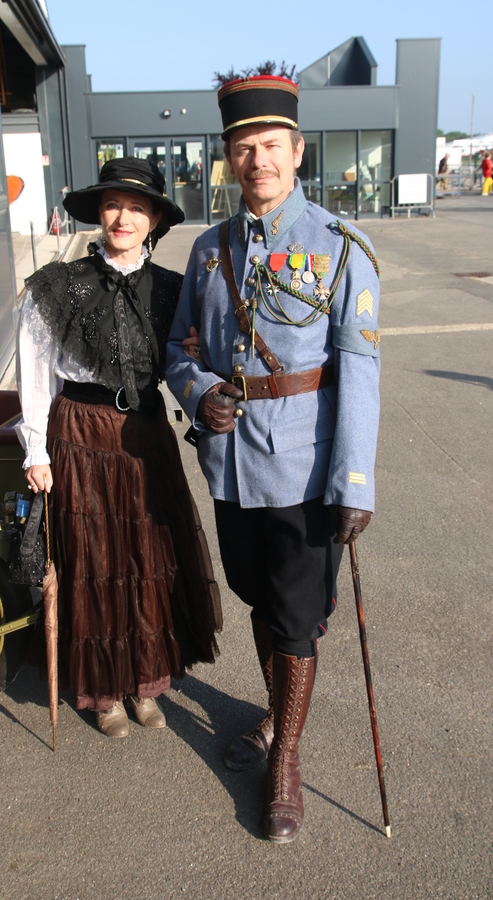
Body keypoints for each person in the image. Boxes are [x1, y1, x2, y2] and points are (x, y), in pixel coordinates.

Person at [166, 76, 380, 843]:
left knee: (294, 620)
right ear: (229, 160)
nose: (257, 160)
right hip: (230, 466)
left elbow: (359, 366)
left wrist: (356, 478)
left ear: (296, 151)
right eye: (242, 149)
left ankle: (284, 757)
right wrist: (198, 391)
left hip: (305, 469)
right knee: (258, 598)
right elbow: (180, 347)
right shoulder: (206, 250)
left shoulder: (340, 246)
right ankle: (273, 712)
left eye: (269, 146)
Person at [16, 158, 222, 738]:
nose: (122, 216)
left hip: (146, 435)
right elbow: (35, 373)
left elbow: (193, 358)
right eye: (113, 204)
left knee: (147, 557)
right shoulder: (57, 286)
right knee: (96, 559)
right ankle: (103, 691)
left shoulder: (175, 290)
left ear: (155, 217)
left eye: (136, 206)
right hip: (79, 434)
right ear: (98, 212)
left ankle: (145, 680)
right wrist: (37, 450)